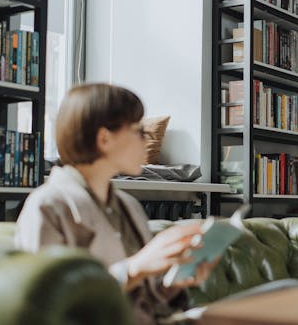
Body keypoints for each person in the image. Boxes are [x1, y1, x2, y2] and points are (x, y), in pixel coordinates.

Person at [14, 83, 218, 325]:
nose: (147, 141)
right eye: (138, 131)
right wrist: (133, 269)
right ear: (104, 138)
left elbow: (143, 300)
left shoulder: (128, 205)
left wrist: (173, 284)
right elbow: (46, 307)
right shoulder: (47, 206)